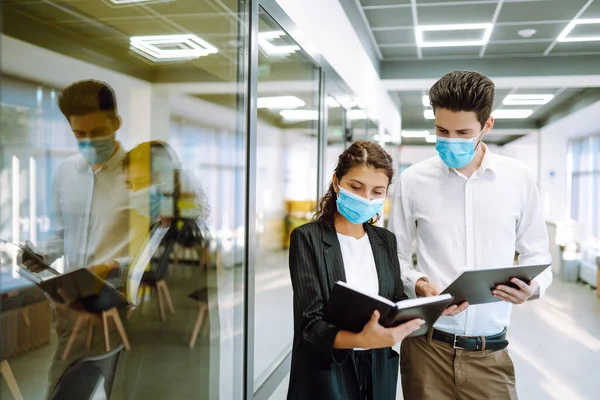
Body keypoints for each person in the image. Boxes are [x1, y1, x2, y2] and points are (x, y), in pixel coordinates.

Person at [390, 70, 553, 399]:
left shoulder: (517, 179)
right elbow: (396, 255)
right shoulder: (413, 181)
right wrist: (418, 282)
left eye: (463, 132)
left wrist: (532, 288)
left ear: (486, 126)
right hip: (426, 350)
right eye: (441, 130)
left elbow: (538, 255)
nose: (450, 140)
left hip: (490, 355)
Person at [20, 79, 142, 396]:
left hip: (124, 316)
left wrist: (115, 266)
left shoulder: (140, 175)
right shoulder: (64, 172)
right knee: (62, 393)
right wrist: (35, 255)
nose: (89, 141)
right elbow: (61, 233)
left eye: (98, 132)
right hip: (75, 316)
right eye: (79, 134)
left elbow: (152, 251)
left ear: (116, 123)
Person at [287, 141, 425, 400]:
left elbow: (395, 298)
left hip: (378, 372)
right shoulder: (308, 239)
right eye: (356, 187)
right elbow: (310, 326)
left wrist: (418, 310)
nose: (366, 198)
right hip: (327, 376)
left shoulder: (385, 241)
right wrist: (361, 339)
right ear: (337, 182)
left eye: (377, 191)